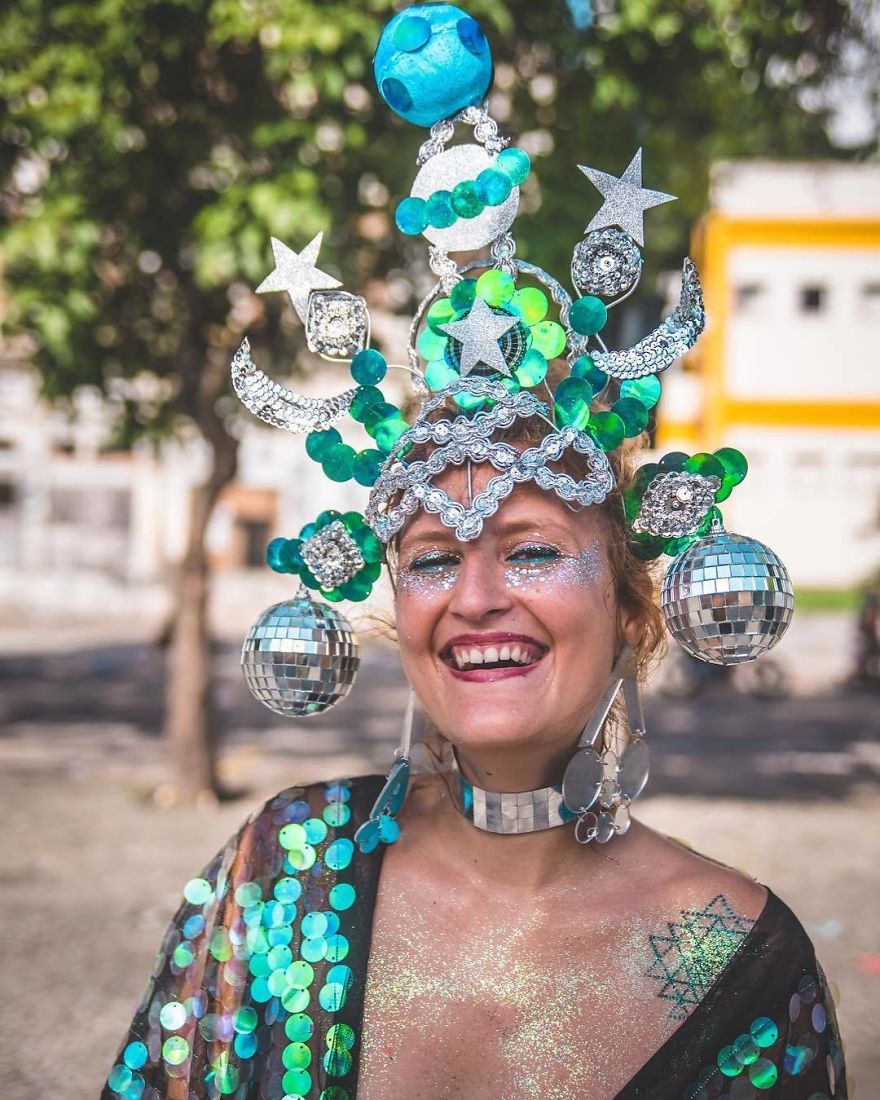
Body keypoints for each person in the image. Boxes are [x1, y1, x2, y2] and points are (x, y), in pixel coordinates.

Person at [102, 6, 844, 1097]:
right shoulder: (279, 876)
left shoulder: (743, 960)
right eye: (434, 559)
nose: (477, 597)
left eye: (533, 548)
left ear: (635, 605)